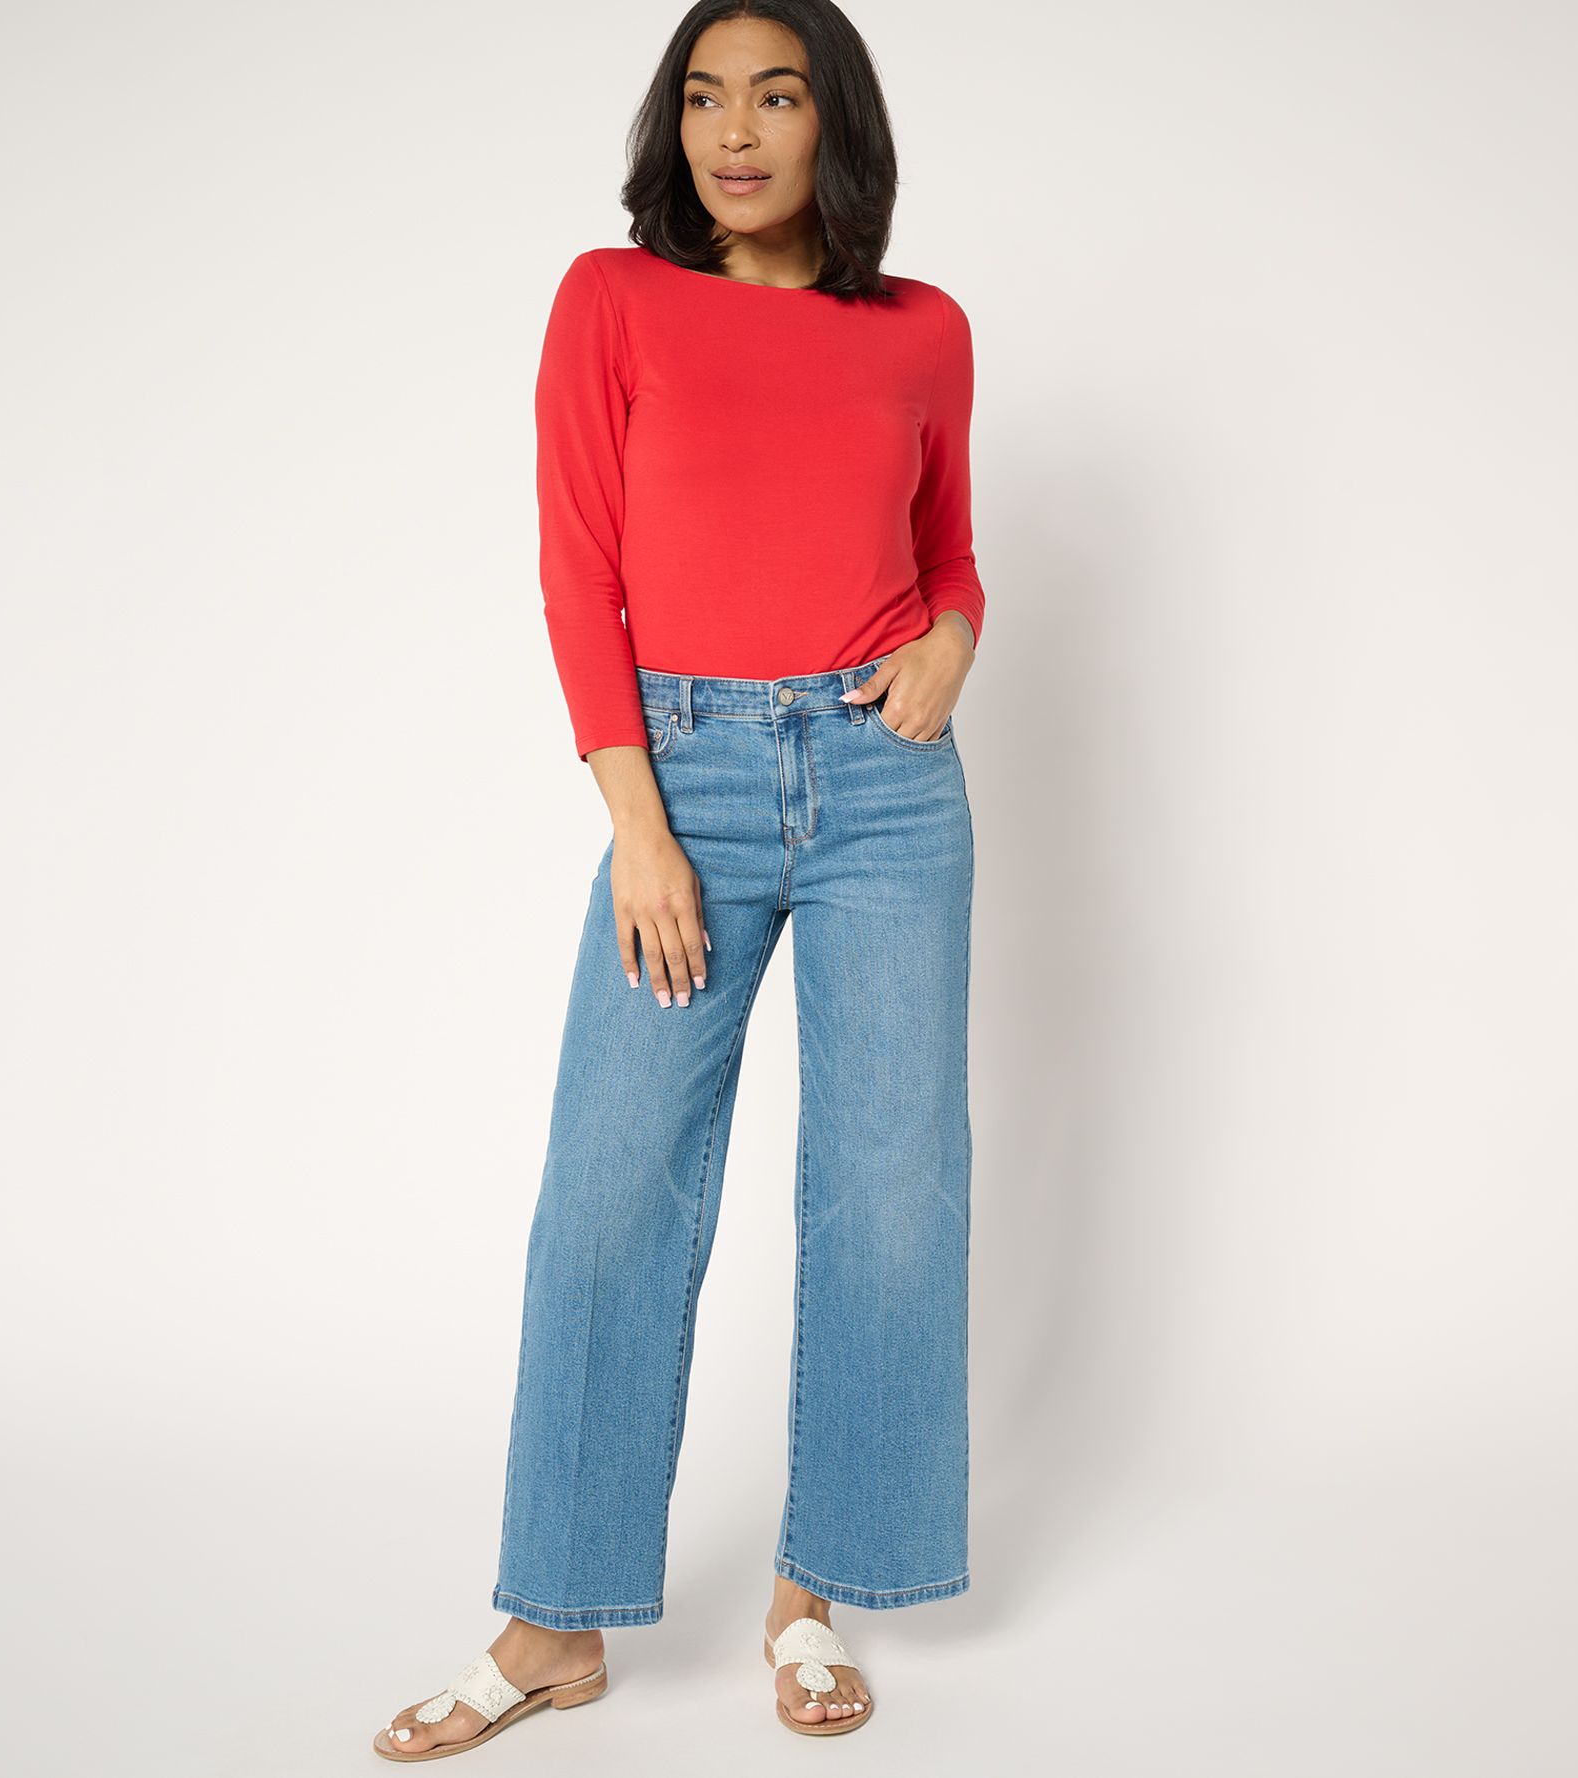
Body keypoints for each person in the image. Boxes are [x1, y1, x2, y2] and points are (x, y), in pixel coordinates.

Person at [376, 1, 984, 1756]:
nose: (735, 130)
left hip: (887, 782)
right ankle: (554, 1619)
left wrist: (955, 637)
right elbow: (581, 569)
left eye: (775, 96)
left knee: (888, 1188)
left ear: (831, 121)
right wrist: (638, 823)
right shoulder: (613, 299)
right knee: (611, 1184)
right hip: (687, 775)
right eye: (706, 97)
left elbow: (949, 552)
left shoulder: (925, 329)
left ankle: (815, 1588)